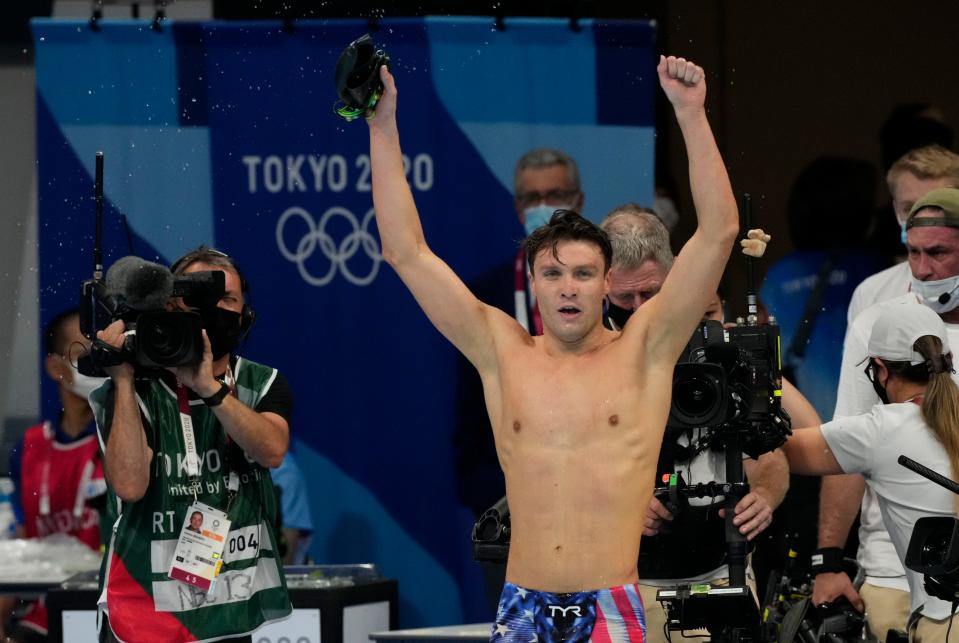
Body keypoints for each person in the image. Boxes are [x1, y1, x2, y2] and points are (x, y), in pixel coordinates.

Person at [368, 53, 738, 640]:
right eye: (553, 274)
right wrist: (382, 125)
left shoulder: (644, 351)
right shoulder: (500, 350)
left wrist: (691, 114)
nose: (568, 289)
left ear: (608, 283)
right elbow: (405, 251)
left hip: (611, 607)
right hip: (523, 607)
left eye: (585, 275)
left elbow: (717, 232)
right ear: (532, 280)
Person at [599, 207, 816, 641]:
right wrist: (619, 506)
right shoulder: (583, 355)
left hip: (719, 579)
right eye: (625, 299)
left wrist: (766, 496)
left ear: (676, 273)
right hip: (616, 587)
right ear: (601, 283)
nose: (639, 311)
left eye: (651, 293)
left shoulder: (722, 349)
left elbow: (780, 447)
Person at [91, 247, 293, 643]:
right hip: (143, 610)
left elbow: (271, 450)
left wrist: (208, 388)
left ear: (244, 314)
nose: (212, 309)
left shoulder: (262, 383)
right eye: (194, 298)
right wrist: (124, 380)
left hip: (229, 610)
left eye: (226, 299)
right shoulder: (136, 388)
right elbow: (130, 485)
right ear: (168, 305)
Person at [816, 186, 959, 639]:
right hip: (889, 570)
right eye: (914, 252)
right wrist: (828, 560)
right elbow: (845, 445)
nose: (922, 268)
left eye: (938, 253)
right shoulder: (878, 321)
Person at [782, 300, 959, 641]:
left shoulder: (880, 430)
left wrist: (768, 375)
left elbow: (782, 448)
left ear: (881, 370)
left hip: (943, 623)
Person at [0, 309, 107, 643]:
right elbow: (24, 543)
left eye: (101, 351)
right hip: (46, 615)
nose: (96, 362)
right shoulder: (29, 448)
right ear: (54, 366)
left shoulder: (124, 441)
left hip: (113, 608)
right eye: (82, 353)